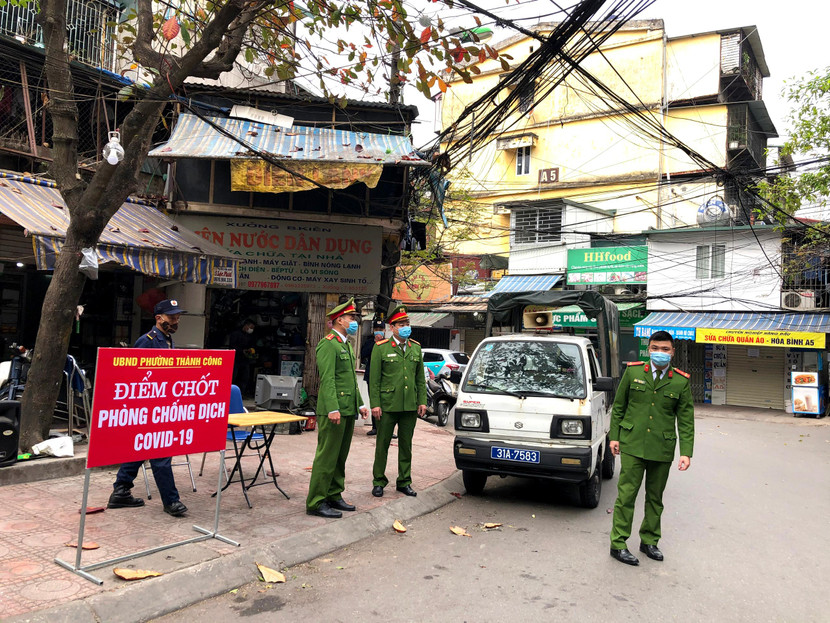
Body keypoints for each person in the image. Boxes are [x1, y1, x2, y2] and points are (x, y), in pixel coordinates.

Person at [608, 330, 694, 565]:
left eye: (665, 349)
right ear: (649, 349)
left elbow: (685, 419)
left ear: (673, 352)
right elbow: (619, 406)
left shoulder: (680, 380)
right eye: (655, 348)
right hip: (633, 444)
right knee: (626, 495)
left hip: (662, 448)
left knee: (655, 498)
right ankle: (618, 543)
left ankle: (649, 541)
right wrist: (613, 436)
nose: (660, 353)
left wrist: (686, 452)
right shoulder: (634, 371)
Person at [107, 299, 189, 517]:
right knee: (161, 453)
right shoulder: (147, 341)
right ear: (159, 318)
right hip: (148, 408)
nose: (176, 321)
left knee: (140, 449)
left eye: (178, 318)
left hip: (161, 406)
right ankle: (171, 501)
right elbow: (134, 376)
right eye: (172, 318)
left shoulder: (167, 340)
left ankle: (120, 491)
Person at [306, 298, 370, 518]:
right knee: (326, 457)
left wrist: (360, 403)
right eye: (352, 318)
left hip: (347, 408)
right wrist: (333, 407)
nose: (354, 322)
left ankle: (334, 494)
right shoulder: (328, 343)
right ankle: (316, 501)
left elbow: (350, 379)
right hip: (333, 410)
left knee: (340, 457)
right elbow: (328, 379)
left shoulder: (345, 344)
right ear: (340, 319)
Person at [368, 305, 427, 498]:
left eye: (407, 324)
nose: (405, 327)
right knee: (382, 444)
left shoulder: (416, 348)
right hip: (387, 405)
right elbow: (374, 380)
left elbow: (420, 379)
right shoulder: (381, 348)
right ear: (392, 327)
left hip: (409, 406)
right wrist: (375, 404)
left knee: (406, 445)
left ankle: (404, 481)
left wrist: (422, 401)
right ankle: (378, 481)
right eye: (401, 324)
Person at [360, 317, 395, 438]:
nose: (379, 331)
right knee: (374, 401)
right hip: (371, 376)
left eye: (381, 329)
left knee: (387, 403)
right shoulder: (369, 342)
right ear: (373, 330)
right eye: (376, 329)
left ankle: (388, 429)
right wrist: (375, 342)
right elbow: (363, 354)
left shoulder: (389, 343)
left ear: (385, 330)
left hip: (386, 377)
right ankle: (375, 427)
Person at [228, 319, 256, 396]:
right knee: (233, 377)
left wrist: (250, 350)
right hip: (236, 359)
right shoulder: (236, 334)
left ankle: (241, 394)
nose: (251, 329)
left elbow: (252, 345)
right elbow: (232, 346)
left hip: (245, 360)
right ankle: (229, 393)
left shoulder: (249, 336)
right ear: (246, 325)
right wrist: (241, 351)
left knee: (244, 377)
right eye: (250, 327)